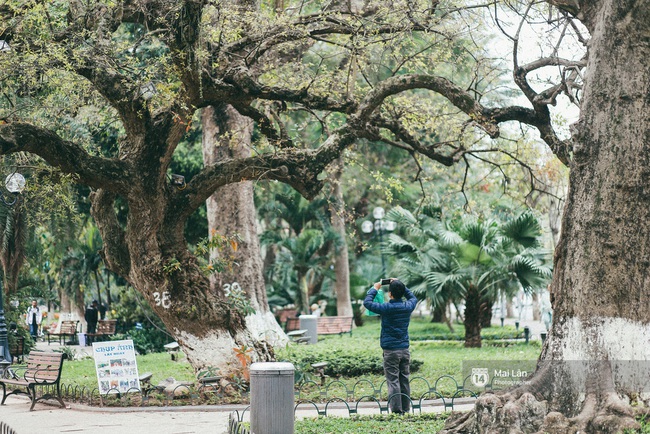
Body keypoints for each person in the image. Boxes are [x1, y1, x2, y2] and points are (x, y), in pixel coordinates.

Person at [363, 278, 417, 414]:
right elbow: (413, 298)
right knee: (404, 379)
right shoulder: (408, 306)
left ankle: (397, 411)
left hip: (390, 351)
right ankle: (406, 408)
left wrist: (375, 288)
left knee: (393, 381)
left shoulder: (386, 308)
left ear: (390, 294)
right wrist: (401, 285)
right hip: (405, 350)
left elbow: (367, 303)